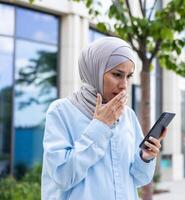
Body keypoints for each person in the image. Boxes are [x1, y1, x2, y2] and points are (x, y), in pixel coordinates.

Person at [41, 37, 166, 200]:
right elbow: (62, 176)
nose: (124, 85)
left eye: (128, 76)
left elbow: (138, 179)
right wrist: (100, 126)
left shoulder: (128, 115)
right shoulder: (61, 111)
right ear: (95, 70)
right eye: (117, 74)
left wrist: (145, 157)